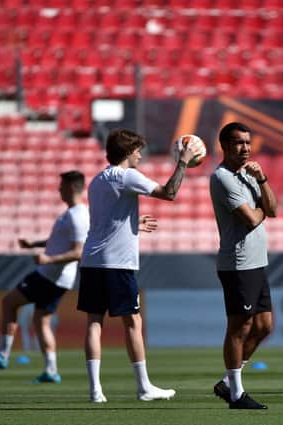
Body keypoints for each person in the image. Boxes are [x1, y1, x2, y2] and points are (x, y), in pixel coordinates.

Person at [77, 128, 201, 403]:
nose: (140, 156)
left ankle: (95, 390)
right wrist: (183, 161)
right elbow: (169, 193)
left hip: (92, 260)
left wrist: (134, 223)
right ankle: (144, 387)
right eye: (137, 151)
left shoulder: (97, 180)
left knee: (94, 322)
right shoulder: (127, 176)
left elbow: (107, 221)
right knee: (132, 321)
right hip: (117, 263)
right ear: (128, 153)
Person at [0, 171, 89, 384]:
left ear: (72, 187)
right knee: (41, 320)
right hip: (59, 278)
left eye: (61, 186)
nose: (58, 189)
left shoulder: (78, 215)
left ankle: (2, 354)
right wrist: (34, 244)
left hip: (51, 275)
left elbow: (79, 252)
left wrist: (48, 260)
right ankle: (51, 370)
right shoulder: (72, 213)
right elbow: (58, 241)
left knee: (9, 302)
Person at [209, 122, 277, 410]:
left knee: (264, 326)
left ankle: (227, 381)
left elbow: (271, 210)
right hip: (238, 263)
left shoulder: (249, 175)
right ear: (224, 146)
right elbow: (250, 219)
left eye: (248, 142)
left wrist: (262, 180)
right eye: (238, 143)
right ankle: (236, 394)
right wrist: (260, 210)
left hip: (257, 261)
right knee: (239, 326)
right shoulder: (223, 177)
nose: (245, 148)